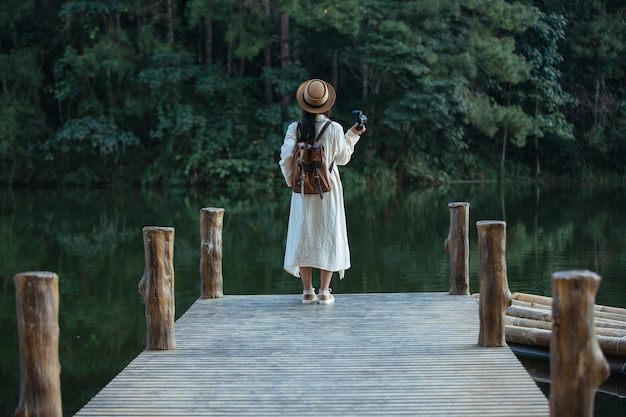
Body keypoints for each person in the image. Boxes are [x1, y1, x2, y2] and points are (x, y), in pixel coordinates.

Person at [278, 78, 366, 304]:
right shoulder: (335, 128)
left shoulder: (295, 128)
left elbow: (286, 157)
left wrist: (294, 182)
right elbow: (344, 158)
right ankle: (325, 291)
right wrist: (353, 134)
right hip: (328, 189)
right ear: (326, 104)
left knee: (304, 234)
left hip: (303, 191)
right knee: (329, 233)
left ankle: (308, 291)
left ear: (304, 103)